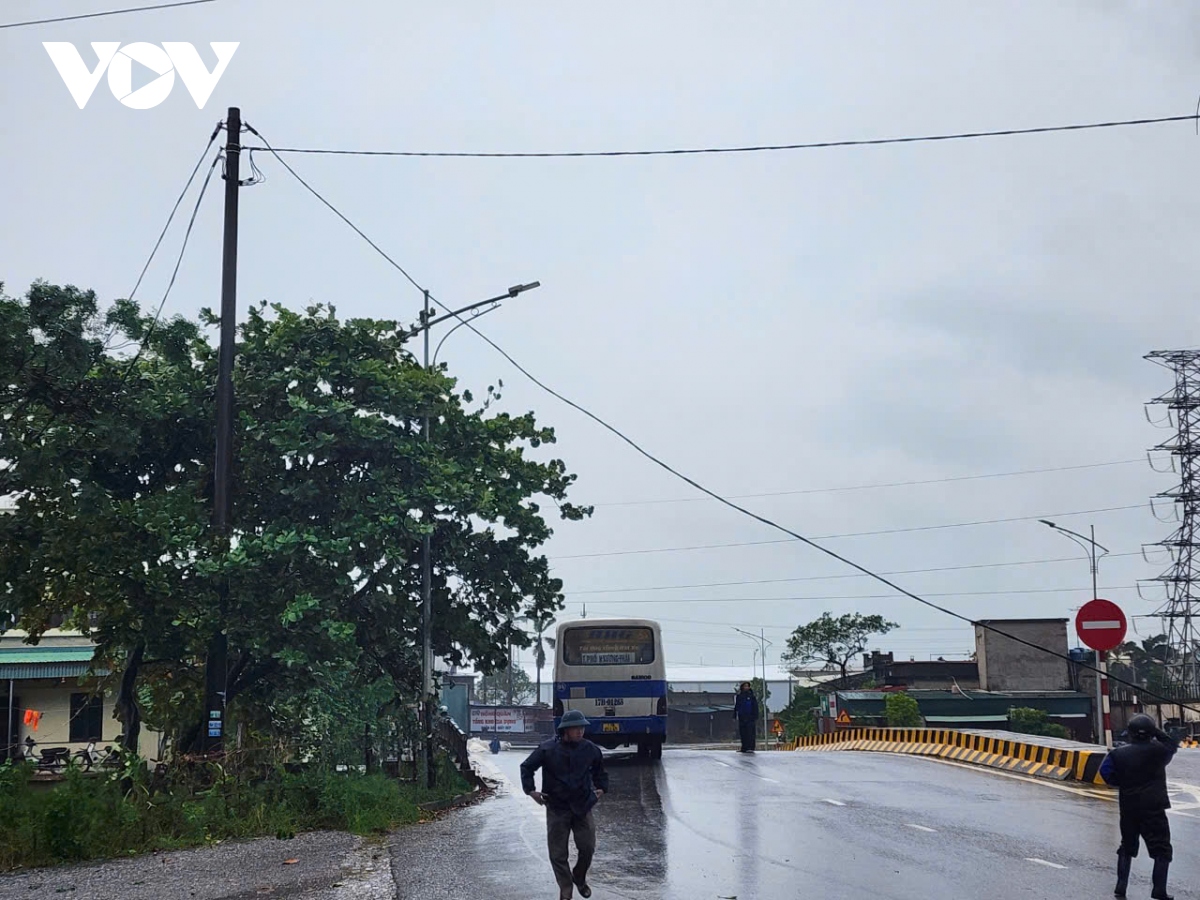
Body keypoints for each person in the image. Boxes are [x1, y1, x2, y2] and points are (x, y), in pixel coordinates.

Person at [520, 709, 610, 900]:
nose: (580, 732)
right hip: (557, 807)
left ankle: (579, 875)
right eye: (576, 728)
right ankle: (565, 887)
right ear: (565, 730)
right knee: (558, 853)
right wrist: (531, 791)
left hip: (583, 805)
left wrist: (601, 789)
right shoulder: (547, 749)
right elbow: (527, 767)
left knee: (587, 847)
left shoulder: (590, 749)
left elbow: (600, 771)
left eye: (582, 728)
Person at [1099, 712, 1179, 899]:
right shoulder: (1160, 752)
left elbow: (1106, 773)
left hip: (1129, 807)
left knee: (1126, 846)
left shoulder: (1118, 754)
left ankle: (1121, 886)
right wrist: (1156, 730)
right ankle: (1159, 890)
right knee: (1162, 849)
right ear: (1151, 733)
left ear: (1130, 733)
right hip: (1154, 808)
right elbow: (1172, 744)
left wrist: (1123, 783)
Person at [733, 682, 759, 753]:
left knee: (750, 733)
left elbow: (755, 707)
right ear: (742, 687)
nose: (746, 687)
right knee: (743, 733)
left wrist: (755, 716)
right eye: (745, 686)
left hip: (750, 718)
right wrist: (735, 715)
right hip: (742, 717)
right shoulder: (739, 696)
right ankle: (744, 747)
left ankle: (750, 747)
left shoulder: (751, 697)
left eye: (748, 686)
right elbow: (737, 707)